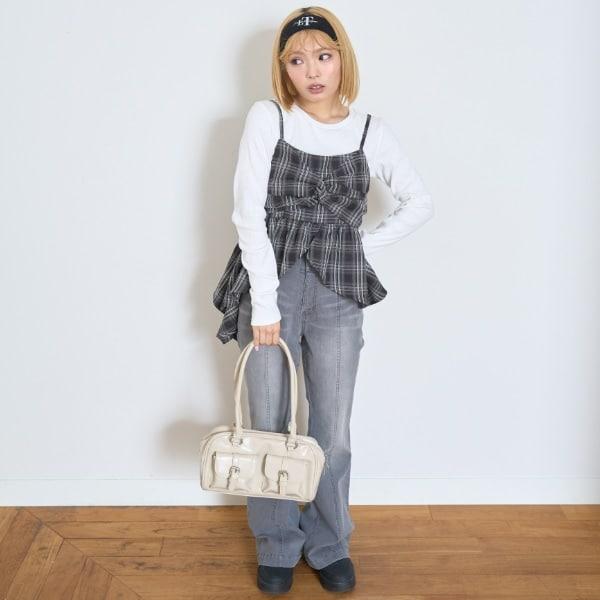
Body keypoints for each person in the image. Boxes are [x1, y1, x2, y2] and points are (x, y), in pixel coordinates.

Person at [212, 6, 434, 594]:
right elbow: (248, 214)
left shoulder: (369, 131)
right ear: (283, 68)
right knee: (268, 422)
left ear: (342, 60)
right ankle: (276, 543)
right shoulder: (269, 118)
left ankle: (329, 542)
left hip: (338, 291)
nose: (312, 70)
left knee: (332, 430)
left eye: (323, 56)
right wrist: (265, 305)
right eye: (297, 59)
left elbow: (419, 202)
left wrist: (357, 245)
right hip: (273, 282)